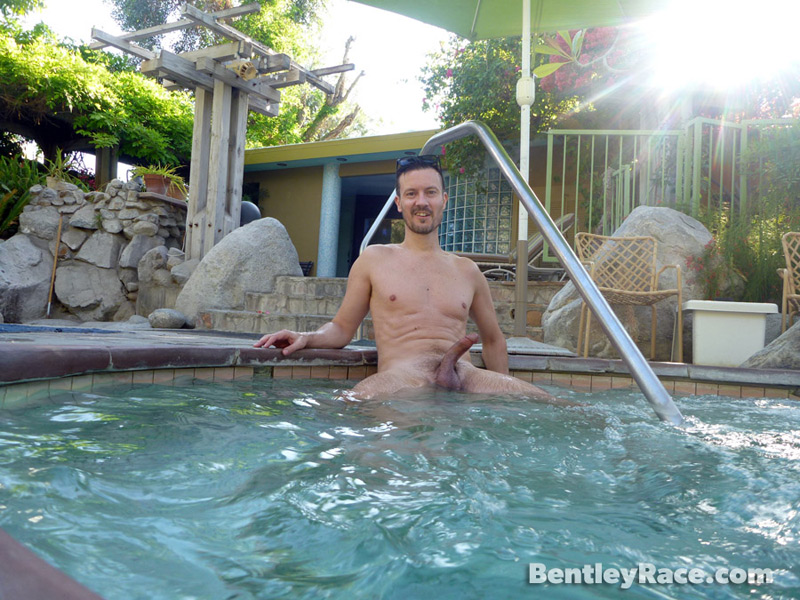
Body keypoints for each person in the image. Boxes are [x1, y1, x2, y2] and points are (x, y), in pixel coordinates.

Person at [254, 155, 553, 401]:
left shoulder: (467, 270)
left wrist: (503, 399)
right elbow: (342, 328)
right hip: (403, 379)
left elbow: (493, 339)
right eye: (411, 194)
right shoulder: (374, 259)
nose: (421, 201)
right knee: (347, 402)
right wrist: (307, 338)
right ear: (399, 203)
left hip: (466, 376)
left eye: (430, 192)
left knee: (557, 405)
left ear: (444, 199)